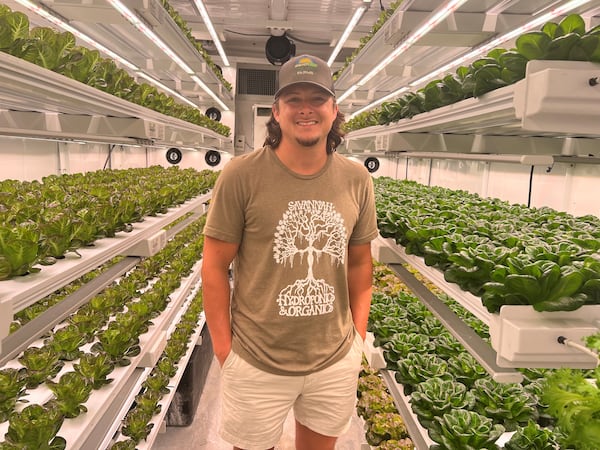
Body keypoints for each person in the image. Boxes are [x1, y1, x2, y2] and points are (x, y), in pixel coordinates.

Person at [201, 54, 379, 450]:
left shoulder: (355, 178)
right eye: (294, 99)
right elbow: (214, 267)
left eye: (316, 99)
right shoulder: (241, 175)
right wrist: (224, 350)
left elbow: (360, 264)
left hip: (333, 360)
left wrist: (358, 341)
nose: (306, 109)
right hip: (255, 359)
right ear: (276, 112)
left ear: (334, 111)